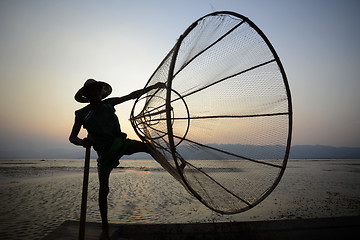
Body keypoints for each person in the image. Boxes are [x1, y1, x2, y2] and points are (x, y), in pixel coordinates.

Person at [69, 79, 164, 235]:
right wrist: (82, 142)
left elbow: (131, 96)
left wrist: (152, 88)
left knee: (147, 147)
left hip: (119, 143)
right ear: (86, 95)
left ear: (101, 92)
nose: (96, 93)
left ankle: (170, 165)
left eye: (98, 90)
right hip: (104, 153)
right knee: (104, 189)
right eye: (92, 91)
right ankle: (104, 224)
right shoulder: (82, 114)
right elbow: (72, 136)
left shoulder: (109, 103)